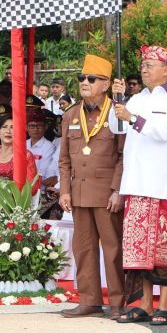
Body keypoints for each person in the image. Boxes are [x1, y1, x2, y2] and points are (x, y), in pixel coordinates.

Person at [112, 46, 167, 327]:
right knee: (138, 248)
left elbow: (165, 131)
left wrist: (132, 118)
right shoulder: (136, 98)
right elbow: (116, 128)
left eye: (150, 64)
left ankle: (165, 305)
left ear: (166, 70)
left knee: (162, 246)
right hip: (135, 181)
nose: (144, 69)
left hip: (160, 182)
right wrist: (118, 100)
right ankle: (144, 303)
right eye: (143, 64)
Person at [58, 55, 125, 319]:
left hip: (106, 191)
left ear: (106, 84)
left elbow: (124, 156)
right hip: (79, 191)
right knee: (82, 248)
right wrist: (64, 190)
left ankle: (118, 302)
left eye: (92, 79)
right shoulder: (71, 114)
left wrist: (118, 189)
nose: (85, 83)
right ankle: (89, 299)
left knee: (112, 248)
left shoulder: (116, 112)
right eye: (82, 78)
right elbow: (64, 159)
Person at [0, 114, 40, 191]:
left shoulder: (26, 156)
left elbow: (32, 186)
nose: (8, 131)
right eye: (4, 127)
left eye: (12, 127)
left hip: (18, 201)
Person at [26, 109, 58, 189]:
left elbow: (43, 173)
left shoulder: (49, 147)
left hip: (39, 189)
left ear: (46, 127)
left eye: (39, 125)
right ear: (26, 127)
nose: (35, 129)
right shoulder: (23, 144)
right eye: (32, 126)